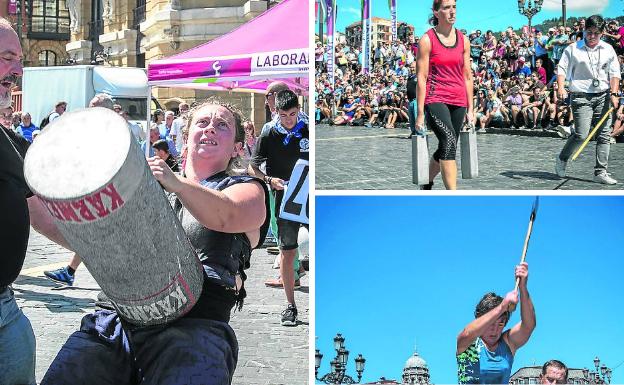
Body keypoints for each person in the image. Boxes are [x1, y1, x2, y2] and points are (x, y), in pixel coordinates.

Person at [42, 99, 269, 384]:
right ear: (185, 140)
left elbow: (228, 215)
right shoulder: (144, 184)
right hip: (116, 319)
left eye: (222, 125)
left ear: (237, 147)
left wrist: (174, 182)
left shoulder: (246, 188)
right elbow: (82, 235)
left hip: (195, 327)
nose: (211, 128)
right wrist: (34, 192)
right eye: (202, 122)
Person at [0, 17, 71, 385]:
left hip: (5, 311)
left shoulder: (8, 140)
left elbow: (41, 215)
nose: (18, 70)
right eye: (8, 57)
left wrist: (108, 252)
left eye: (19, 60)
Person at [249, 89, 308, 327]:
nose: (289, 120)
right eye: (284, 115)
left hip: (309, 195)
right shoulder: (269, 132)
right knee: (288, 251)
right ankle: (290, 305)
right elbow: (253, 167)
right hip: (285, 199)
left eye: (293, 114)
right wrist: (268, 179)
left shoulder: (307, 128)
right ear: (276, 112)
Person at [555, 15, 621, 185]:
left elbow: (614, 73)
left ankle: (600, 171)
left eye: (596, 33)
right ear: (584, 31)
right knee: (581, 134)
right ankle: (562, 158)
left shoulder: (608, 49)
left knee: (604, 134)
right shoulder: (573, 48)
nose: (592, 37)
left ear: (602, 33)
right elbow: (561, 69)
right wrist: (561, 88)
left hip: (603, 95)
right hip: (580, 96)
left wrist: (614, 94)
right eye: (589, 32)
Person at [416, 0, 474, 190]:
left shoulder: (463, 40)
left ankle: (426, 182)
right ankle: (453, 195)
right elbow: (422, 78)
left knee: (446, 147)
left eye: (454, 7)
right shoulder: (427, 40)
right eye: (447, 7)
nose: (452, 12)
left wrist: (471, 109)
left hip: (459, 100)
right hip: (436, 99)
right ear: (436, 11)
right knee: (448, 141)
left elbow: (467, 76)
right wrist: (420, 113)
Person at [456, 262, 536, 384]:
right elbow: (466, 334)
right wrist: (502, 307)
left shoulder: (508, 343)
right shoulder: (468, 344)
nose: (495, 330)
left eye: (500, 324)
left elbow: (528, 326)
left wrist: (523, 287)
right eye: (490, 324)